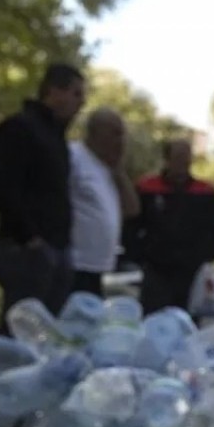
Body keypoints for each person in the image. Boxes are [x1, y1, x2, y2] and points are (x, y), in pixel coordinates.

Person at [0, 63, 86, 328]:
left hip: (57, 247)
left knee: (49, 332)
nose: (81, 103)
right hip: (27, 249)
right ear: (54, 91)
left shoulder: (57, 140)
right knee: (21, 329)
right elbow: (6, 189)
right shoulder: (19, 129)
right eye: (76, 94)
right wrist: (30, 238)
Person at [123, 139, 214, 314]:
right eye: (178, 157)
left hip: (193, 274)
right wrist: (142, 256)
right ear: (167, 159)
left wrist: (203, 257)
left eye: (186, 158)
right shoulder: (147, 189)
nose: (183, 163)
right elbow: (130, 227)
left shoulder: (204, 192)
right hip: (157, 272)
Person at [68, 108, 140, 297]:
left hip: (104, 266)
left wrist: (119, 171)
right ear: (96, 133)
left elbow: (132, 209)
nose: (121, 141)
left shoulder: (109, 169)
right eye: (115, 133)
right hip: (76, 262)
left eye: (123, 134)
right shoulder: (73, 157)